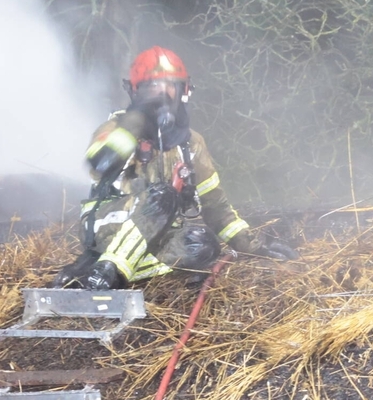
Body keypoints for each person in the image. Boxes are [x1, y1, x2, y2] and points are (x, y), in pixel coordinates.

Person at [53, 46, 295, 290]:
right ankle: (109, 268)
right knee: (164, 196)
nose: (163, 94)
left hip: (154, 238)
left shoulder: (190, 143)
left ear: (184, 91)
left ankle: (94, 271)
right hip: (107, 228)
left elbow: (215, 204)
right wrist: (136, 119)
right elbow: (100, 164)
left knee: (203, 247)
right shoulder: (116, 129)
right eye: (153, 87)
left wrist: (251, 245)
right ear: (136, 91)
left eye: (171, 86)